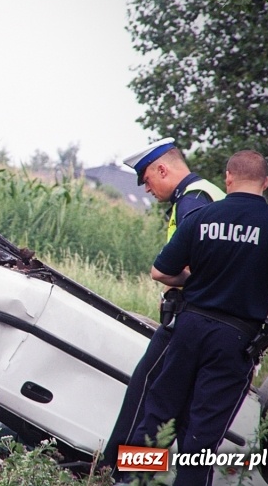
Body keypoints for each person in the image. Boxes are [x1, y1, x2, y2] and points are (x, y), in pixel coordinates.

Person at [127, 150, 268, 484]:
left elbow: (161, 272)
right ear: (266, 182)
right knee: (202, 434)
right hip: (235, 341)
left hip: (188, 330)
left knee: (157, 416)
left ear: (228, 178)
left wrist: (195, 281)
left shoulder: (202, 215)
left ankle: (133, 481)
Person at [102, 137, 225, 470]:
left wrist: (172, 278)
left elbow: (202, 265)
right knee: (177, 413)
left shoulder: (193, 201)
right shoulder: (206, 194)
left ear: (162, 168)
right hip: (213, 325)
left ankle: (119, 471)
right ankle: (138, 472)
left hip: (189, 321)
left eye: (146, 179)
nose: (146, 189)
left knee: (147, 398)